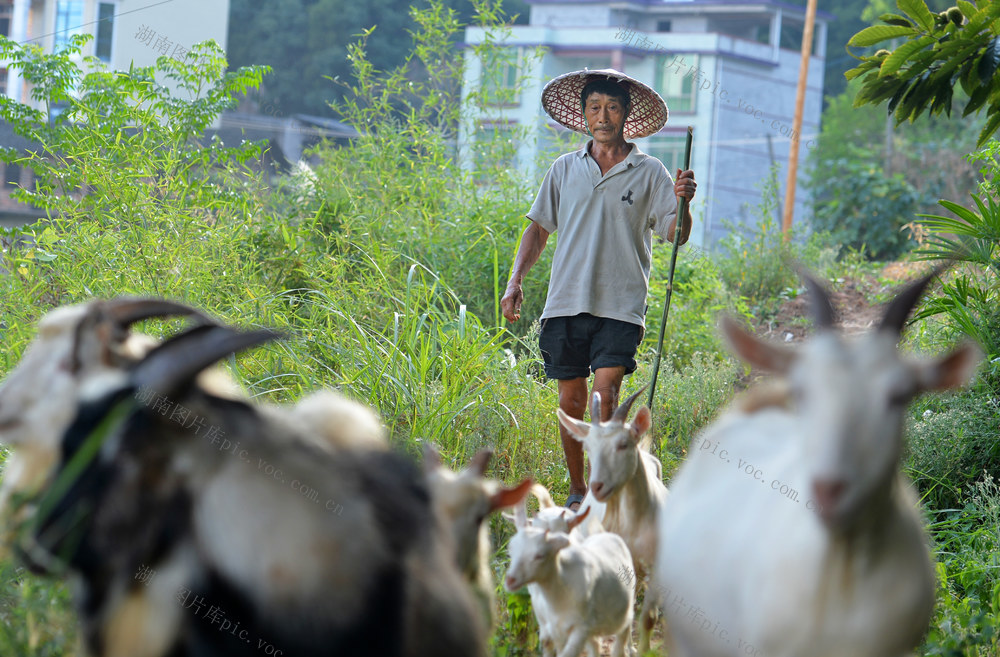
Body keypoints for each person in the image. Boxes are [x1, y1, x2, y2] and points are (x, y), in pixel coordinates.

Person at [500, 69, 697, 510]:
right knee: (571, 400)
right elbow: (537, 231)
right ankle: (576, 492)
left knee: (605, 395)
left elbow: (675, 233)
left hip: (621, 305)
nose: (602, 116)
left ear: (626, 115)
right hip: (565, 300)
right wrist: (515, 281)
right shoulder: (564, 169)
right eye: (594, 108)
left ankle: (601, 490)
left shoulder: (650, 172)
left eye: (612, 107)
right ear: (584, 115)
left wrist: (684, 204)